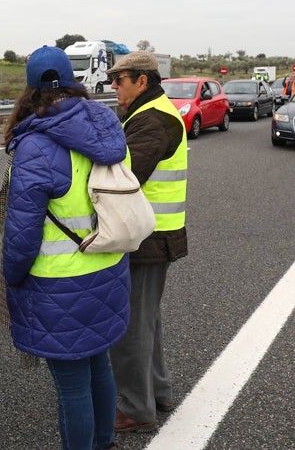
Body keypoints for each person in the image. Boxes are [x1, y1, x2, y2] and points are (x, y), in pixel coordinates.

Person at [0, 46, 129, 450]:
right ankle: (104, 441)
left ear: (30, 89)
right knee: (99, 367)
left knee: (71, 386)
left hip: (59, 284)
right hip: (108, 268)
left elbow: (22, 234)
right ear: (74, 84)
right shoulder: (106, 126)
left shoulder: (35, 145)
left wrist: (11, 277)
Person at [107, 51, 188, 433]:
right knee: (147, 321)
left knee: (131, 326)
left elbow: (125, 176)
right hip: (154, 233)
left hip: (147, 237)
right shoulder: (149, 112)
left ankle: (137, 409)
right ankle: (157, 392)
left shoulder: (153, 119)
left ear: (141, 80)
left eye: (119, 79)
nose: (113, 86)